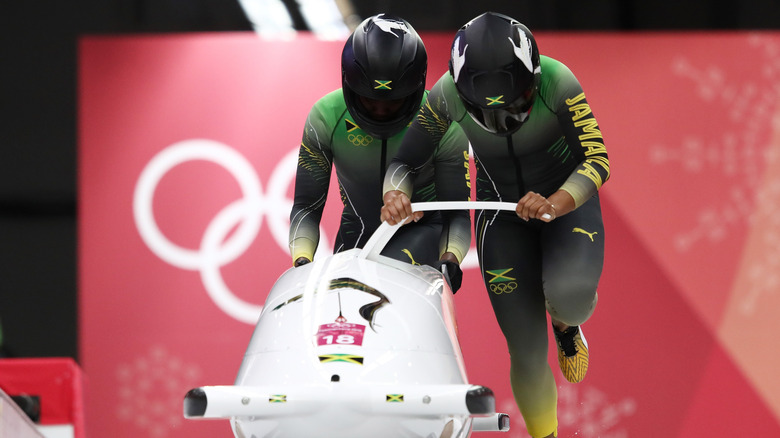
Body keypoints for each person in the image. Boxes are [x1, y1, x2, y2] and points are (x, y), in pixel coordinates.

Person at [381, 12, 609, 438]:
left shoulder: (559, 82)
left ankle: (566, 323)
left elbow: (597, 161)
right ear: (463, 93)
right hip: (500, 212)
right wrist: (395, 192)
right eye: (485, 111)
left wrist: (556, 203)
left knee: (570, 296)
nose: (502, 119)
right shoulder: (445, 94)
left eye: (517, 104)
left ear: (534, 80)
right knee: (525, 350)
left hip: (563, 204)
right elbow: (404, 161)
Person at [289, 13, 471, 290]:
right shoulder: (325, 116)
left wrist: (450, 259)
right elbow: (306, 207)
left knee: (383, 279)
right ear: (349, 84)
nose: (381, 112)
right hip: (357, 230)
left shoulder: (440, 119)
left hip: (422, 231)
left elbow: (456, 213)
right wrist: (302, 262)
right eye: (369, 101)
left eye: (393, 103)